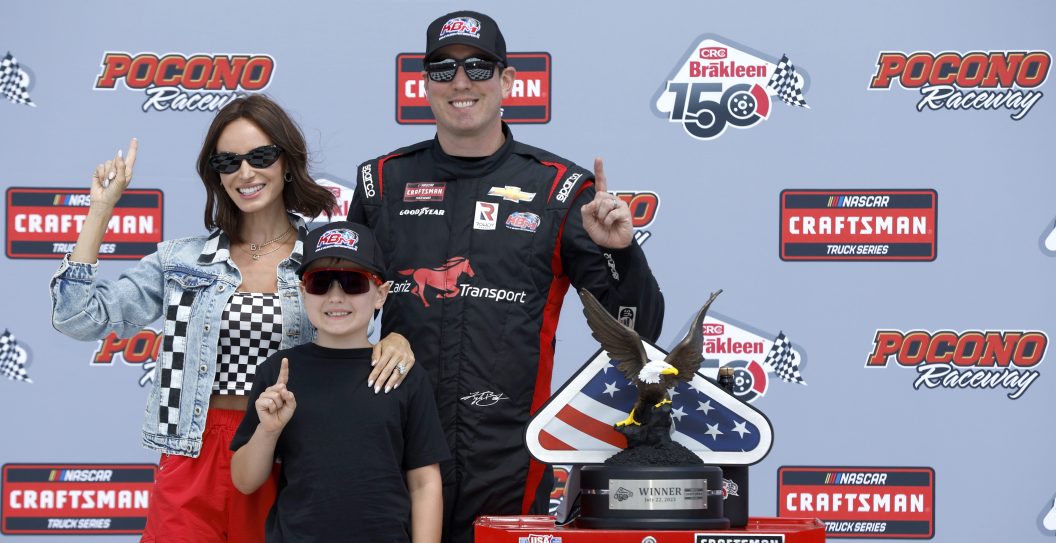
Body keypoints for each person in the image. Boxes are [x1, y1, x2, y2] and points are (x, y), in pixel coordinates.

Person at [348, 10, 665, 542]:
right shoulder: (382, 181)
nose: (461, 82)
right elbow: (336, 311)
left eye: (478, 66)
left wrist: (623, 254)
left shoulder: (561, 190)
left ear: (508, 80)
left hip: (510, 453)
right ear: (425, 84)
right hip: (396, 443)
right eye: (443, 69)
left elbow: (638, 333)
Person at [49, 95, 412, 542]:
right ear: (215, 173)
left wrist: (399, 338)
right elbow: (78, 319)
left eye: (260, 156)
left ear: (287, 162)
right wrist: (101, 210)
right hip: (191, 456)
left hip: (290, 459)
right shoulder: (181, 260)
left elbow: (369, 314)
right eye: (228, 161)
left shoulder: (325, 256)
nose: (245, 173)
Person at [230, 221, 449, 543]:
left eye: (353, 282)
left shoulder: (403, 374)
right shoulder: (279, 371)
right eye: (320, 283)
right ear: (303, 292)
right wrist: (268, 430)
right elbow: (245, 481)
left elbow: (425, 482)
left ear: (380, 294)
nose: (336, 296)